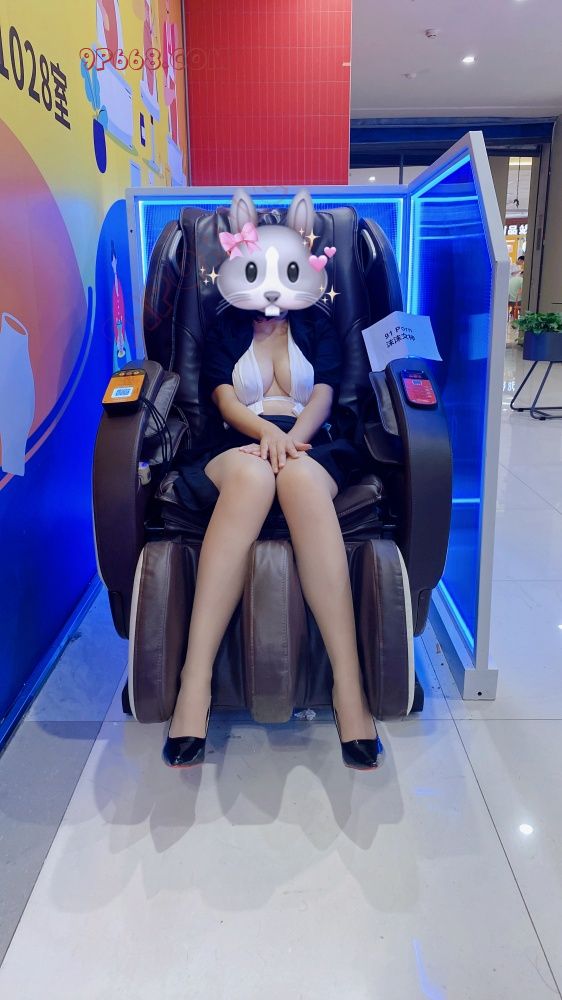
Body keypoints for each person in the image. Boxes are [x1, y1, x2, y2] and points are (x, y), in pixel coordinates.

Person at [162, 189, 384, 772]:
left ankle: (349, 687)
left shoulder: (318, 324)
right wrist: (266, 434)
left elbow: (326, 396)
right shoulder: (225, 327)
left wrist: (291, 439)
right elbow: (224, 399)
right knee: (255, 479)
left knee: (302, 481)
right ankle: (194, 684)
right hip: (236, 442)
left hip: (310, 440)